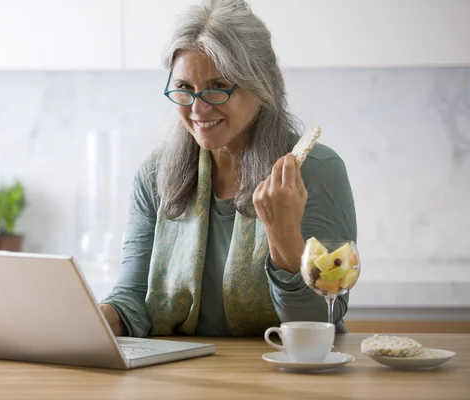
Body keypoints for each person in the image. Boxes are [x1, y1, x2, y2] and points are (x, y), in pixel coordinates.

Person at [99, 0, 357, 337]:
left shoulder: (317, 171)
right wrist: (94, 317)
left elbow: (319, 320)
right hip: (183, 378)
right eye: (184, 88)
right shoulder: (154, 175)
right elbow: (133, 299)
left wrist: (282, 235)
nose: (198, 108)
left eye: (219, 87)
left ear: (260, 84)